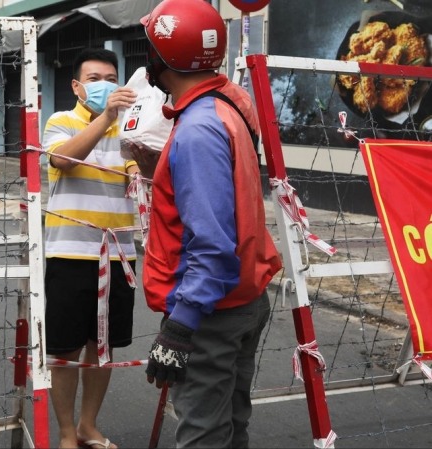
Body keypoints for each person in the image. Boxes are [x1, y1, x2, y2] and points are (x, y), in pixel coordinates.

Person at [132, 0, 283, 447]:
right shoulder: (228, 103)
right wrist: (167, 168)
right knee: (231, 424)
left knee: (203, 434)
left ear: (163, 60)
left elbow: (213, 244)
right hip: (243, 299)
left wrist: (180, 328)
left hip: (211, 312)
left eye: (150, 48)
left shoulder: (198, 130)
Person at [42, 48, 138, 449]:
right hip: (68, 253)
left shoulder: (131, 129)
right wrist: (106, 118)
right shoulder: (60, 121)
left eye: (111, 78)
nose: (105, 86)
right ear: (77, 86)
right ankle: (65, 433)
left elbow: (146, 176)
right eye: (95, 78)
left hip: (118, 255)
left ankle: (88, 426)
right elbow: (63, 159)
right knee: (64, 349)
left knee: (103, 347)